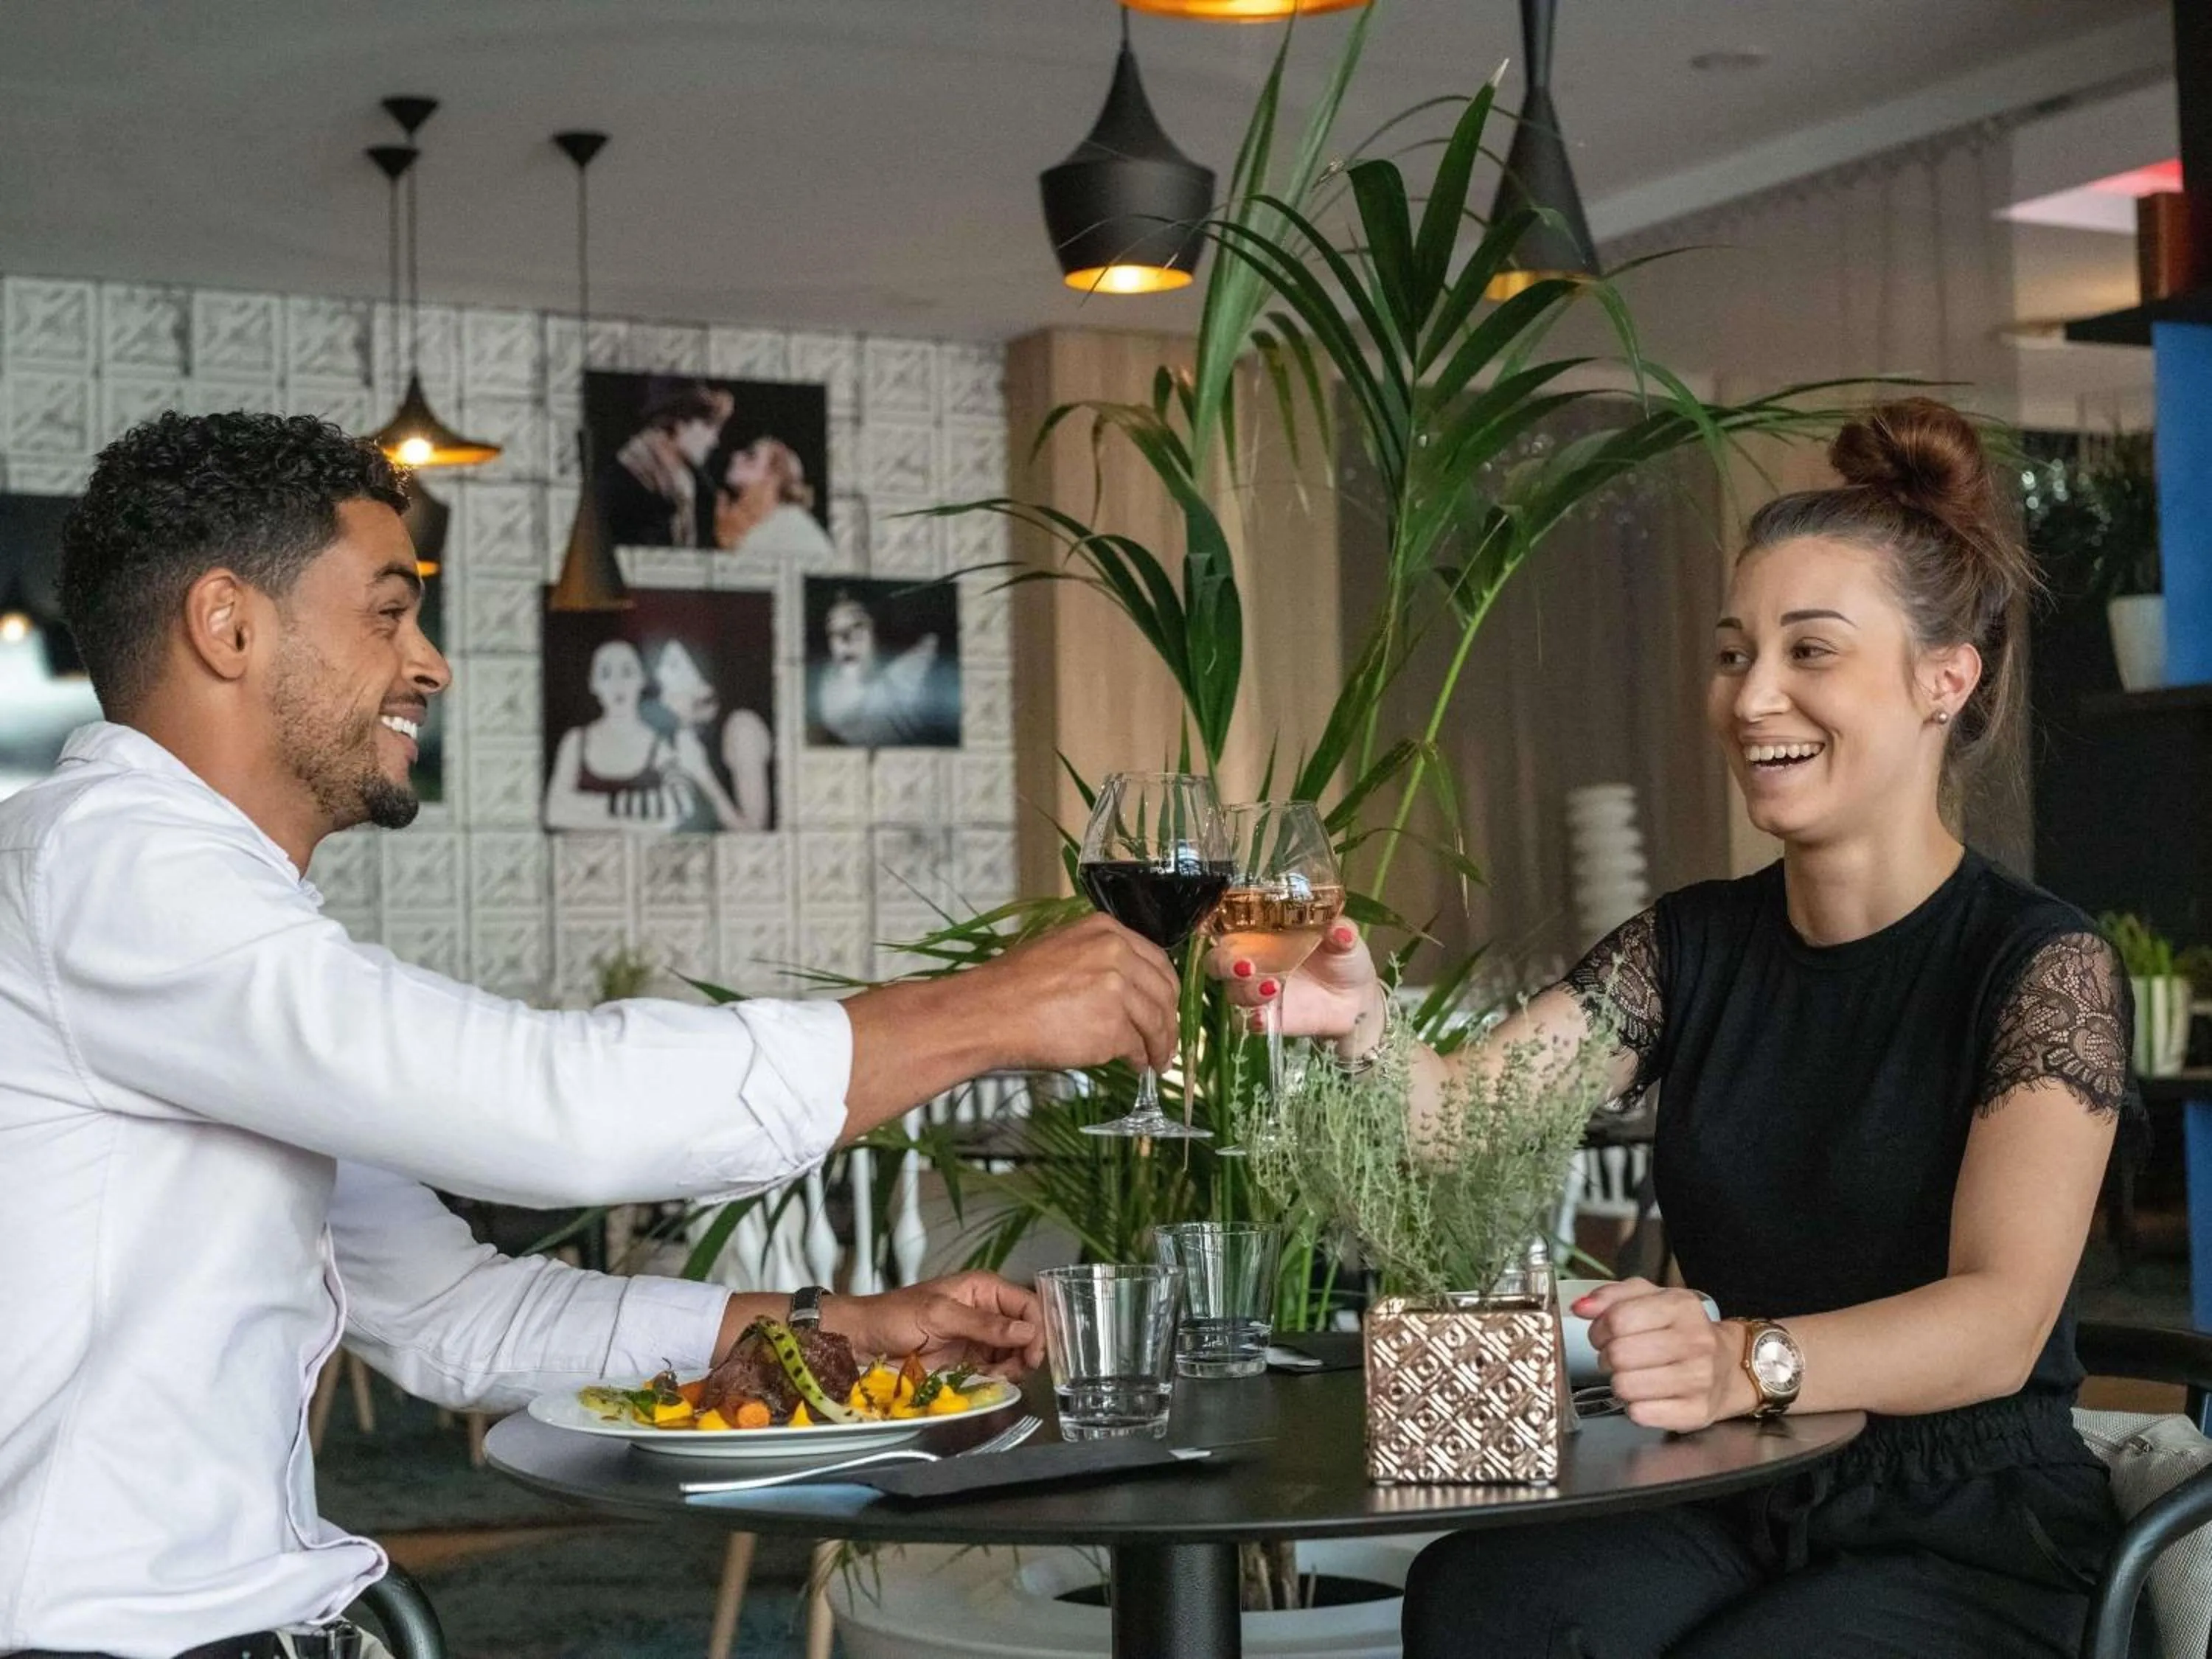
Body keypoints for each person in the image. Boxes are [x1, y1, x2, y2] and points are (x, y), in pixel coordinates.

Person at [0, 411, 1183, 1658]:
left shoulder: (181, 914)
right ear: (229, 624)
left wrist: (831, 1331)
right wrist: (986, 1009)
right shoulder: (106, 864)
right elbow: (551, 1109)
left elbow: (458, 1315)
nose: (431, 662)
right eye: (389, 612)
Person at [1214, 400, 2132, 1658]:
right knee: (1485, 1599)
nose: (1754, 697)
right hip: (1736, 1483)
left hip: (1963, 1522)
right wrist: (1359, 1027)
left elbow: (1999, 1323)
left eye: (1811, 652)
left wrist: (1740, 1358)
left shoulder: (2038, 964)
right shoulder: (1692, 946)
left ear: (1944, 678)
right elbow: (1466, 1120)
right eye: (1732, 653)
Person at [541, 638, 695, 831]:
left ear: (642, 679)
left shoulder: (657, 746)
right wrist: (632, 822)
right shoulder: (576, 741)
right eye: (606, 674)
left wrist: (585, 807)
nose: (618, 683)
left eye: (627, 672)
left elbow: (682, 802)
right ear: (593, 684)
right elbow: (554, 812)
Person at [650, 636, 773, 832]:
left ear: (703, 690)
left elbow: (754, 833)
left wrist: (702, 774)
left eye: (669, 690)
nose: (663, 701)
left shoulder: (741, 728)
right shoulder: (692, 734)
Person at [812, 585, 958, 748]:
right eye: (833, 631)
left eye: (858, 625)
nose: (843, 639)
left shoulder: (923, 675)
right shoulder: (826, 683)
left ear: (880, 629)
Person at [599, 378, 732, 549]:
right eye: (708, 426)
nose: (714, 441)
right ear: (679, 423)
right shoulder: (623, 484)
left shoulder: (687, 486)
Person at [713, 436, 835, 560]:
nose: (736, 457)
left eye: (751, 457)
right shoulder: (755, 521)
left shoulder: (793, 531)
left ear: (774, 477)